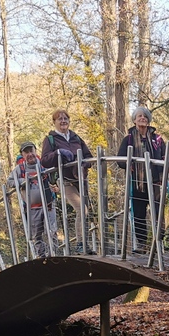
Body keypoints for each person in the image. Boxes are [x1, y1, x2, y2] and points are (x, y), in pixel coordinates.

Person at [41, 108, 94, 253]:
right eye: (60, 119)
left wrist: (83, 163)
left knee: (86, 211)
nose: (63, 121)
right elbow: (44, 161)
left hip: (80, 179)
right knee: (81, 209)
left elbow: (89, 156)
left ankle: (84, 244)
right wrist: (58, 153)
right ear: (54, 122)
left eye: (66, 118)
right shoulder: (50, 139)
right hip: (64, 180)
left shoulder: (76, 137)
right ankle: (81, 244)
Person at [117, 106, 167, 253]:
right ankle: (142, 245)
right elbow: (120, 159)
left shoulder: (157, 139)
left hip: (156, 181)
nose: (142, 118)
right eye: (139, 116)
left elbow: (165, 157)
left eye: (145, 116)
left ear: (149, 119)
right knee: (139, 213)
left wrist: (163, 172)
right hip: (138, 183)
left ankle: (158, 243)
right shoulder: (129, 139)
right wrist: (129, 164)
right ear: (134, 120)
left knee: (158, 213)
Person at [10, 140, 57, 259]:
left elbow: (55, 176)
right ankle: (40, 257)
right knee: (37, 235)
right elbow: (9, 181)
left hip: (48, 204)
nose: (30, 154)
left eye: (31, 151)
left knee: (51, 231)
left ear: (35, 151)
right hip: (32, 208)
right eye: (26, 152)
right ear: (23, 154)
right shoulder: (19, 169)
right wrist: (23, 182)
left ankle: (54, 256)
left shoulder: (43, 164)